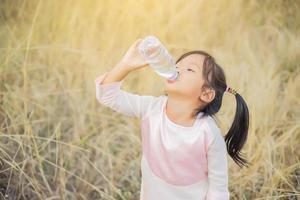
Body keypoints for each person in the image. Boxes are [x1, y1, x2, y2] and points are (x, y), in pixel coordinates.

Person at [94, 38, 250, 200]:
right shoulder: (151, 109)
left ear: (206, 94)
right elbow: (107, 96)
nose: (176, 70)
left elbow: (218, 190)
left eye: (189, 69)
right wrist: (126, 64)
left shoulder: (208, 134)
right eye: (177, 65)